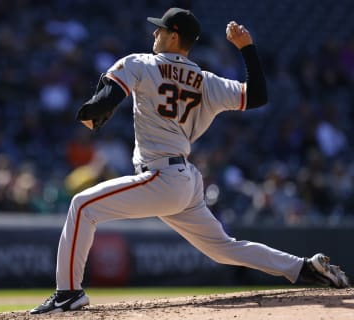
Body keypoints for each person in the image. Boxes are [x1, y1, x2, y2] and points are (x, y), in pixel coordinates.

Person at [30, 7, 350, 314]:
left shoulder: (142, 63)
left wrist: (92, 112)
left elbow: (106, 100)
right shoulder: (208, 81)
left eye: (161, 28)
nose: (154, 32)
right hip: (185, 180)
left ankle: (68, 293)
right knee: (223, 248)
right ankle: (305, 268)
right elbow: (258, 96)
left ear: (173, 37)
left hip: (160, 178)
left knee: (82, 206)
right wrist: (247, 48)